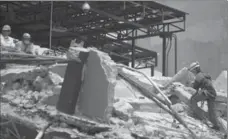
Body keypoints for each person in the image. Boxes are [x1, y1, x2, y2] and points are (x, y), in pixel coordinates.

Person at [188, 62, 220, 130]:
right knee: (212, 111)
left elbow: (194, 87)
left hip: (207, 92)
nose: (192, 73)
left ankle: (202, 117)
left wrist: (190, 84)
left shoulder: (198, 76)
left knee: (193, 100)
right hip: (212, 93)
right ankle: (216, 126)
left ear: (195, 70)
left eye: (192, 71)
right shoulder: (205, 74)